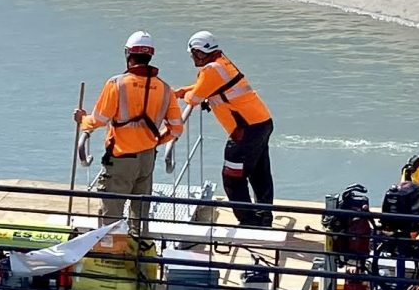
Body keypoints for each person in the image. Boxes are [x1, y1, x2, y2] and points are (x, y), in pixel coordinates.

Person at [74, 31, 184, 229]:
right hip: (147, 159)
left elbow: (99, 119)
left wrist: (82, 120)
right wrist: (156, 141)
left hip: (121, 160)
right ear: (150, 56)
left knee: (111, 213)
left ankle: (111, 252)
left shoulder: (116, 84)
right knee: (141, 214)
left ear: (128, 55)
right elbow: (176, 128)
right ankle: (139, 250)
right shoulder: (165, 89)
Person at [178, 31, 276, 228]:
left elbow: (195, 98)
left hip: (245, 131)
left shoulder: (211, 70)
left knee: (232, 177)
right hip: (261, 123)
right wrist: (182, 91)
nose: (192, 58)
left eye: (192, 54)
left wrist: (186, 95)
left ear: (199, 52)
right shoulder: (222, 62)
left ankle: (249, 221)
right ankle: (263, 216)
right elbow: (209, 87)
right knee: (259, 172)